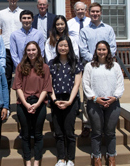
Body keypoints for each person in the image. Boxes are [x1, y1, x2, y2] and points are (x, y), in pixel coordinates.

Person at [79, 2, 117, 137]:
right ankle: (87, 124)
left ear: (101, 13)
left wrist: (103, 60)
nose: (95, 14)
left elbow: (112, 47)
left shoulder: (108, 29)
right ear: (89, 13)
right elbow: (82, 49)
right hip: (90, 66)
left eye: (97, 11)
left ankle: (106, 123)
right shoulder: (84, 31)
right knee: (87, 96)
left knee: (107, 91)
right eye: (93, 12)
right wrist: (94, 61)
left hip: (107, 66)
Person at [83, 41, 124, 166]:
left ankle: (111, 156)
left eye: (104, 49)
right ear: (96, 51)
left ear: (108, 51)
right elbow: (86, 85)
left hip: (112, 103)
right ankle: (96, 156)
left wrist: (115, 97)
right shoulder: (90, 66)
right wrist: (95, 98)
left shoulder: (115, 66)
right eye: (99, 49)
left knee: (110, 132)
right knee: (96, 132)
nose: (101, 52)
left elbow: (120, 84)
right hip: (95, 103)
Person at [12, 41, 52, 166]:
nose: (31, 52)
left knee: (38, 134)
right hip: (23, 103)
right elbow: (18, 87)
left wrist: (38, 103)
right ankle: (28, 161)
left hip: (39, 103)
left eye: (33, 50)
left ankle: (36, 161)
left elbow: (46, 88)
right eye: (29, 50)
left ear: (38, 51)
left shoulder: (44, 67)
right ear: (26, 52)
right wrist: (26, 104)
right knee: (25, 134)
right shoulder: (20, 66)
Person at [48, 35, 83, 166]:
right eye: (60, 45)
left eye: (65, 45)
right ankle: (61, 158)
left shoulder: (76, 62)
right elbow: (49, 84)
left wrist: (69, 101)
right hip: (56, 100)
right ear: (57, 47)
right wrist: (55, 100)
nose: (63, 48)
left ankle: (70, 159)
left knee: (69, 131)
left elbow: (76, 84)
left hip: (71, 100)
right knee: (58, 132)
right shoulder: (51, 63)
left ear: (69, 47)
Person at [0, 0, 23, 92]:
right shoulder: (1, 13)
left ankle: (22, 103)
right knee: (6, 78)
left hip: (20, 50)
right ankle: (6, 106)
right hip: (6, 49)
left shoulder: (23, 13)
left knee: (22, 77)